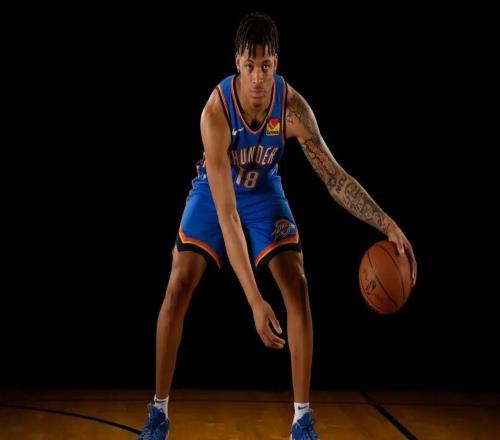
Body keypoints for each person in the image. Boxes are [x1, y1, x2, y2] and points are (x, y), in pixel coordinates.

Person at [138, 11, 417, 440]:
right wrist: (254, 300)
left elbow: (334, 177)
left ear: (276, 64)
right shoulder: (215, 113)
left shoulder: (291, 108)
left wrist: (387, 223)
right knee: (178, 283)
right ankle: (158, 412)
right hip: (217, 194)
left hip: (264, 190)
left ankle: (302, 420)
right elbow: (228, 216)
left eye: (265, 65)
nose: (257, 76)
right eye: (249, 65)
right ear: (237, 61)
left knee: (297, 284)